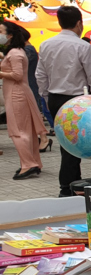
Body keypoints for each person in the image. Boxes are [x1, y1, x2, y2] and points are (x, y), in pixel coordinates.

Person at [35, 6, 91, 197]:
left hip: (55, 98)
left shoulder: (46, 44)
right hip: (77, 99)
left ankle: (72, 185)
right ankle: (68, 188)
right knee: (74, 146)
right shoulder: (83, 46)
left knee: (67, 145)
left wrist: (46, 96)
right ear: (79, 23)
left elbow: (40, 75)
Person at [0, 21, 48, 179]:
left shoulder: (15, 53)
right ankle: (32, 162)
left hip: (16, 95)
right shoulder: (16, 51)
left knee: (18, 132)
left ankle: (28, 164)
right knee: (27, 131)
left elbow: (17, 75)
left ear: (10, 35)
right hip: (19, 94)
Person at [22, 30, 53, 147]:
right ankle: (41, 138)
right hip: (28, 85)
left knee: (34, 112)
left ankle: (43, 138)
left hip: (29, 86)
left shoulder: (27, 50)